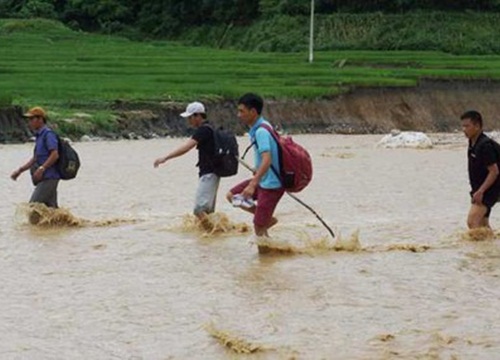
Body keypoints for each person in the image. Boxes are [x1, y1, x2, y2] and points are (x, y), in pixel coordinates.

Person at [226, 93, 285, 239]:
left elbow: (267, 160)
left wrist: (252, 184)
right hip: (263, 179)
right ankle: (266, 219)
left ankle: (267, 256)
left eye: (242, 111)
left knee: (258, 228)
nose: (239, 115)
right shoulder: (263, 126)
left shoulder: (261, 131)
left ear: (253, 112)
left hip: (271, 185)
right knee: (233, 196)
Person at [154, 101, 220, 229]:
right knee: (207, 212)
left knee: (199, 210)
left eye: (190, 117)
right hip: (212, 173)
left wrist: (165, 158)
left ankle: (214, 233)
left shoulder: (203, 130)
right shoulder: (209, 128)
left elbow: (186, 147)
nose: (188, 121)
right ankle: (210, 241)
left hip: (209, 174)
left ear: (198, 116)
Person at [10, 106, 61, 208]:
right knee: (52, 212)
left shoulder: (48, 134)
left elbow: (55, 155)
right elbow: (35, 158)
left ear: (40, 119)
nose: (29, 122)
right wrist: (20, 171)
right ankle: (67, 224)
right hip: (44, 178)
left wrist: (42, 168)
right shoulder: (39, 136)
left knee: (33, 208)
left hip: (49, 178)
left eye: (31, 119)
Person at [461, 110, 500, 230]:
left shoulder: (485, 145)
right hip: (481, 187)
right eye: (462, 126)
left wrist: (481, 191)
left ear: (477, 126)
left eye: (467, 126)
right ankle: (488, 248)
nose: (464, 129)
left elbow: (494, 171)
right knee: (482, 224)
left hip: (492, 186)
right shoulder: (472, 142)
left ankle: (477, 248)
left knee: (472, 222)